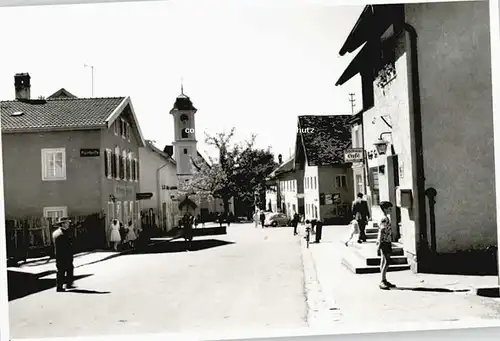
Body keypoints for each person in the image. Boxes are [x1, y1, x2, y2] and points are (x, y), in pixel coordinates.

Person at [52, 217, 75, 292]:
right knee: (62, 271)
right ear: (63, 224)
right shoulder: (62, 234)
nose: (68, 224)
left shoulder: (56, 233)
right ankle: (60, 287)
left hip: (59, 255)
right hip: (64, 256)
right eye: (67, 223)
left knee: (64, 270)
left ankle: (66, 284)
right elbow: (66, 246)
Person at [376, 201, 396, 290]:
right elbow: (382, 231)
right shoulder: (384, 218)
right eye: (389, 209)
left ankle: (384, 279)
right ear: (385, 209)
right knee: (387, 261)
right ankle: (382, 281)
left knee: (383, 260)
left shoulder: (383, 217)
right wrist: (380, 243)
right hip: (385, 242)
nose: (390, 210)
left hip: (385, 241)